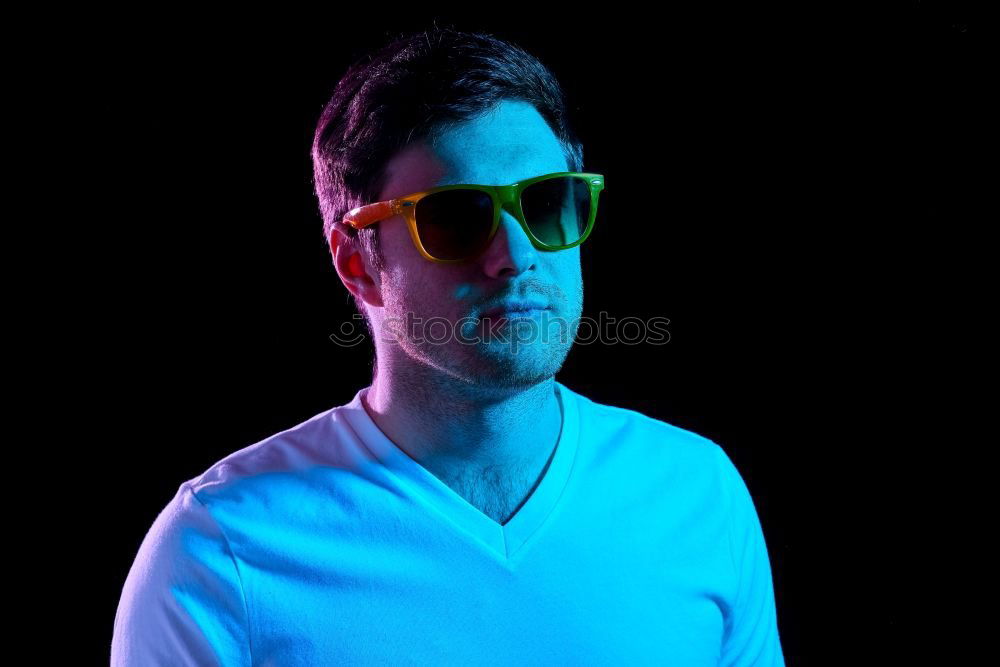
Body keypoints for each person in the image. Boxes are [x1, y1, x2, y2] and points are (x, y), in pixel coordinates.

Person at [112, 25, 785, 665]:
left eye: (548, 202)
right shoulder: (218, 551)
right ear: (357, 262)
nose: (515, 256)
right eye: (457, 217)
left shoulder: (698, 493)